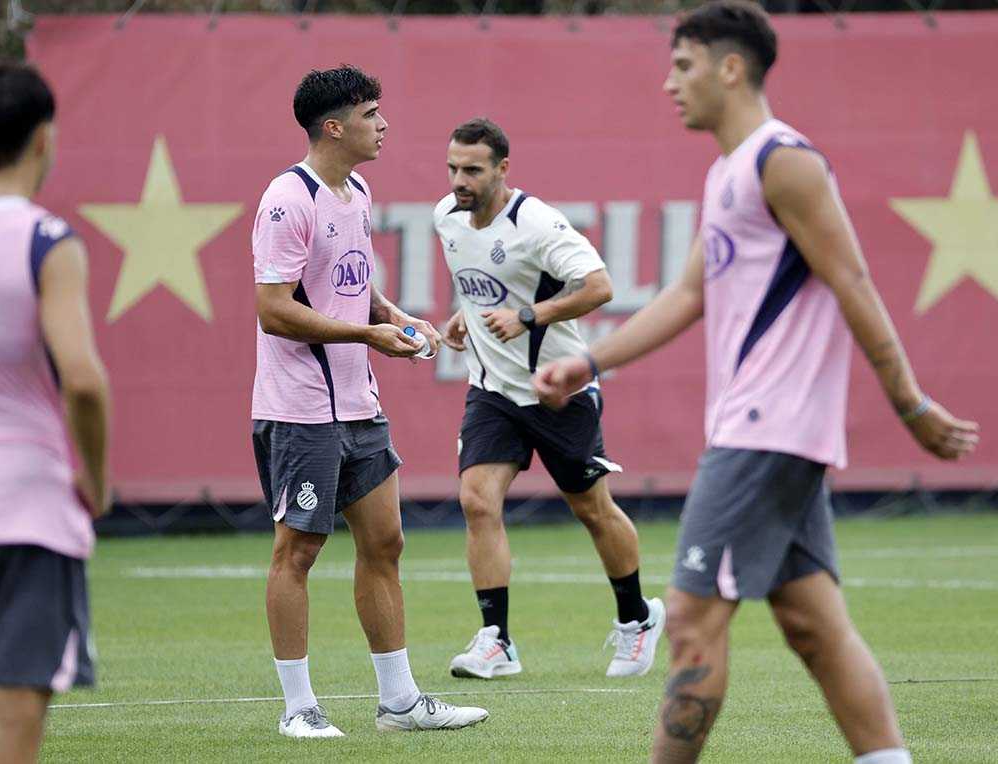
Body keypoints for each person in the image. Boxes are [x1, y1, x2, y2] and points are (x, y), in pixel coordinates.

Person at [532, 3, 979, 762]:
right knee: (813, 627)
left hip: (766, 430)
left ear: (731, 68)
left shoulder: (784, 161)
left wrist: (910, 404)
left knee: (690, 621)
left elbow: (854, 282)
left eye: (684, 66)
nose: (669, 83)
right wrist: (590, 361)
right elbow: (688, 295)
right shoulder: (727, 173)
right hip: (771, 433)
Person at [251, 66, 488, 738]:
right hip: (301, 409)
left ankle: (400, 703)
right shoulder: (286, 200)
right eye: (370, 114)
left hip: (359, 405)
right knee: (297, 552)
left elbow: (349, 283)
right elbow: (273, 310)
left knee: (386, 542)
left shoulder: (355, 190)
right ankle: (299, 709)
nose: (383, 125)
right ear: (334, 127)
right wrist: (366, 334)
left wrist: (392, 315)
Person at [434, 118, 665, 681]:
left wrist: (529, 315)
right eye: (453, 168)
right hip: (492, 391)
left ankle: (637, 619)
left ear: (502, 169)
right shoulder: (447, 217)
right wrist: (466, 315)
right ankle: (497, 640)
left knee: (591, 509)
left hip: (558, 389)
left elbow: (599, 286)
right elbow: (485, 282)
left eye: (472, 170)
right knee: (477, 501)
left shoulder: (537, 223)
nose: (459, 180)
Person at [0, 61, 112, 763]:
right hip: (26, 506)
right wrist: (95, 479)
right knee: (15, 717)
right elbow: (84, 382)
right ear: (44, 137)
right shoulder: (46, 240)